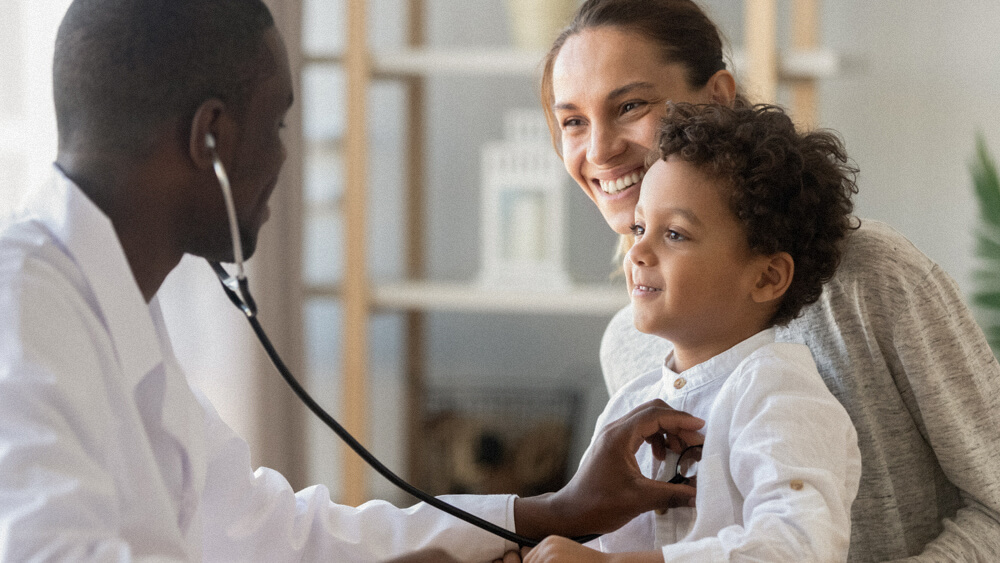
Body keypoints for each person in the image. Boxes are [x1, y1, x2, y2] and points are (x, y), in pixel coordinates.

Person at [0, 1, 709, 561]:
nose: (285, 158)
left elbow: (273, 532)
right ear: (210, 139)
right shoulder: (19, 309)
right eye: (276, 125)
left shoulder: (109, 307)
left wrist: (554, 511)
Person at [535, 0, 1000, 560]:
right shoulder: (633, 346)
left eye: (630, 105)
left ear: (717, 98)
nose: (601, 149)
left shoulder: (871, 278)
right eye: (573, 122)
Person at [528, 101, 863, 561]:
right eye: (641, 226)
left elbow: (796, 547)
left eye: (675, 235)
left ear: (766, 277)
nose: (637, 251)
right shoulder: (629, 406)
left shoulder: (781, 397)